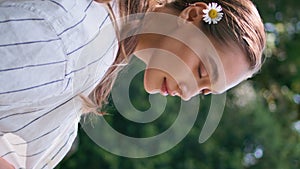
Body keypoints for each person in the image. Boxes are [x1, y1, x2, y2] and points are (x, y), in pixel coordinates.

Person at [0, 0, 265, 168]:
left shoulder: (99, 60)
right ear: (192, 15)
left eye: (205, 90)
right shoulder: (70, 36)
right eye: (200, 70)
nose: (188, 93)